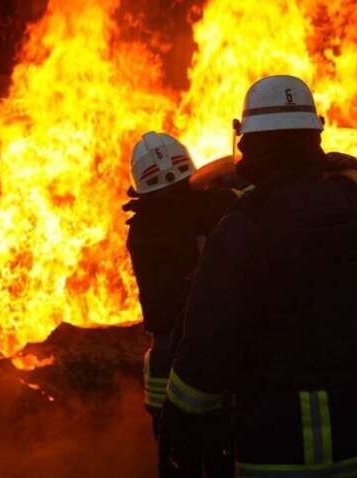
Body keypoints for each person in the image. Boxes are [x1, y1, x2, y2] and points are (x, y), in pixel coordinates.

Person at [159, 75, 357, 477]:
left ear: (249, 143)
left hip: (279, 450)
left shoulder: (242, 229)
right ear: (315, 137)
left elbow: (208, 343)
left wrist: (178, 418)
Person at [123, 131, 236, 477]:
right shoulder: (210, 209)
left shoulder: (140, 227)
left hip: (163, 361)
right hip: (207, 356)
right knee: (219, 453)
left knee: (176, 456)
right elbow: (249, 204)